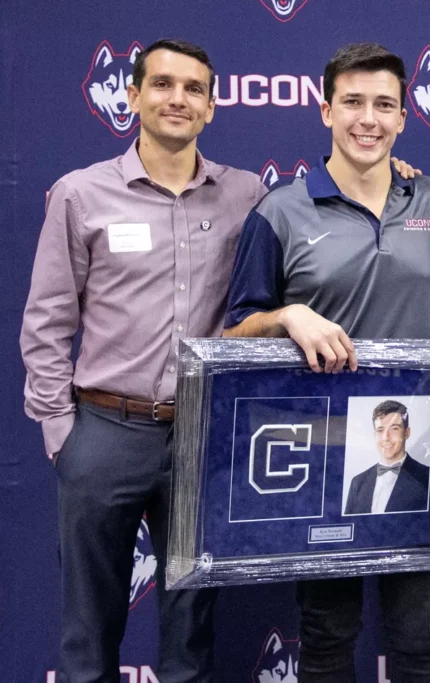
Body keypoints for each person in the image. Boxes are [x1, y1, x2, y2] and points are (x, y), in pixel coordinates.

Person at [20, 39, 267, 683]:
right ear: (132, 97)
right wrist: (60, 433)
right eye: (161, 85)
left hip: (202, 434)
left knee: (191, 632)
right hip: (103, 432)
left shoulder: (246, 194)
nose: (177, 99)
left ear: (212, 107)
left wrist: (395, 169)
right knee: (88, 631)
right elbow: (49, 319)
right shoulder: (81, 194)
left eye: (192, 89)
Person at [223, 43, 430, 683]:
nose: (369, 119)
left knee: (419, 636)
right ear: (326, 109)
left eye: (384, 104)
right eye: (354, 102)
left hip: (412, 449)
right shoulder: (280, 211)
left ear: (404, 116)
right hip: (322, 454)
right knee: (328, 636)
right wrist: (287, 317)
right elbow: (236, 333)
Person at [345, 400, 430, 515]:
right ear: (374, 435)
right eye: (380, 430)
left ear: (406, 433)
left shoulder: (428, 477)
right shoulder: (358, 482)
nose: (386, 437)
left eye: (394, 428)